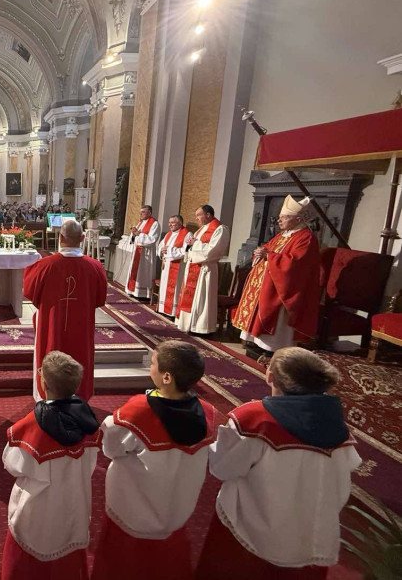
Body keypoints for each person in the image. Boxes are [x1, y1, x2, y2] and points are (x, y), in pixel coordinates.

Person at [196, 347, 361, 579]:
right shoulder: (336, 425)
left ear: (270, 376)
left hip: (253, 536)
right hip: (310, 536)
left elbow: (222, 468)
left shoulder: (253, 420)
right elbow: (344, 474)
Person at [91, 341, 216, 580]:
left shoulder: (139, 411)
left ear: (167, 377)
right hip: (175, 508)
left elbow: (111, 447)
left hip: (135, 506)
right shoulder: (207, 412)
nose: (150, 367)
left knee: (125, 564)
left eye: (153, 363)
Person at [1, 351, 101, 580]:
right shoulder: (89, 421)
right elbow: (90, 464)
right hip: (74, 502)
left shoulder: (32, 425)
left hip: (38, 510)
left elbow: (12, 464)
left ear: (44, 384)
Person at [23, 219, 107, 401]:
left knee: (50, 350)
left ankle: (47, 397)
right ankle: (79, 397)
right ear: (82, 238)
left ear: (60, 237)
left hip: (52, 326)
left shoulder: (44, 265)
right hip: (81, 329)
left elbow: (29, 291)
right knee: (80, 355)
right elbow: (100, 299)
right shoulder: (95, 267)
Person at [232, 195, 321, 353]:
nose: (279, 221)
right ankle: (256, 343)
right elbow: (268, 248)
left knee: (276, 320)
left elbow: (296, 264)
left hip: (283, 289)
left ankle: (273, 347)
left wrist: (269, 256)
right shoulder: (282, 235)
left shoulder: (306, 238)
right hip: (267, 284)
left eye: (284, 217)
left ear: (298, 218)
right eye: (280, 217)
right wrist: (259, 252)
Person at [175, 205, 229, 334]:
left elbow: (213, 251)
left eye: (198, 215)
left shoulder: (220, 229)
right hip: (193, 267)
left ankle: (200, 327)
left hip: (206, 270)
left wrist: (195, 243)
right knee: (191, 298)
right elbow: (193, 247)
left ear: (208, 215)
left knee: (202, 299)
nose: (196, 218)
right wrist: (190, 245)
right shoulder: (201, 230)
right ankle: (187, 324)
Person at [123, 205, 161, 299]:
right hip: (137, 251)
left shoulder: (154, 224)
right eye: (141, 212)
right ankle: (133, 291)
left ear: (150, 213)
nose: (141, 214)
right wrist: (133, 234)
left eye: (143, 212)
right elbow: (135, 237)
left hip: (146, 253)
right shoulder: (140, 223)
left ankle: (143, 294)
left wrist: (138, 234)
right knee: (135, 272)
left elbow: (152, 240)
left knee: (143, 273)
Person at [156, 215, 190, 317]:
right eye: (169, 222)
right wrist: (161, 250)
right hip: (166, 265)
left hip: (178, 266)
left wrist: (169, 250)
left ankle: (172, 312)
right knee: (164, 287)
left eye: (172, 223)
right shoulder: (168, 234)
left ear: (180, 223)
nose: (169, 225)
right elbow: (161, 246)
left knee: (175, 289)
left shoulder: (187, 234)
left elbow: (186, 251)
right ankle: (163, 309)